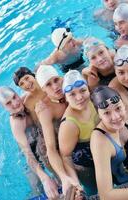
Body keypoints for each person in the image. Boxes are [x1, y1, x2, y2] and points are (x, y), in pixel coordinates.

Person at [0, 86, 59, 199]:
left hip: (42, 138)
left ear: (17, 94)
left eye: (14, 97)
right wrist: (44, 178)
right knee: (37, 187)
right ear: (4, 108)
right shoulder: (17, 124)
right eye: (8, 103)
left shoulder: (28, 99)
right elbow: (28, 154)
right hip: (30, 149)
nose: (15, 103)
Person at [34, 65, 80, 195]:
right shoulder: (45, 109)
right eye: (48, 84)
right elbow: (51, 148)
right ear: (43, 89)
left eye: (56, 80)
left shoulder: (73, 89)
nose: (55, 87)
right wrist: (64, 177)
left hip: (69, 136)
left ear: (62, 78)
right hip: (50, 148)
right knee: (71, 183)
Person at [59, 70, 99, 196]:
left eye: (83, 90)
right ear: (65, 97)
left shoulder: (92, 101)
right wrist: (76, 182)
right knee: (93, 193)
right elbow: (66, 156)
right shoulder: (69, 125)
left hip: (101, 151)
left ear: (88, 89)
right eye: (72, 94)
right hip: (86, 167)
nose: (79, 97)